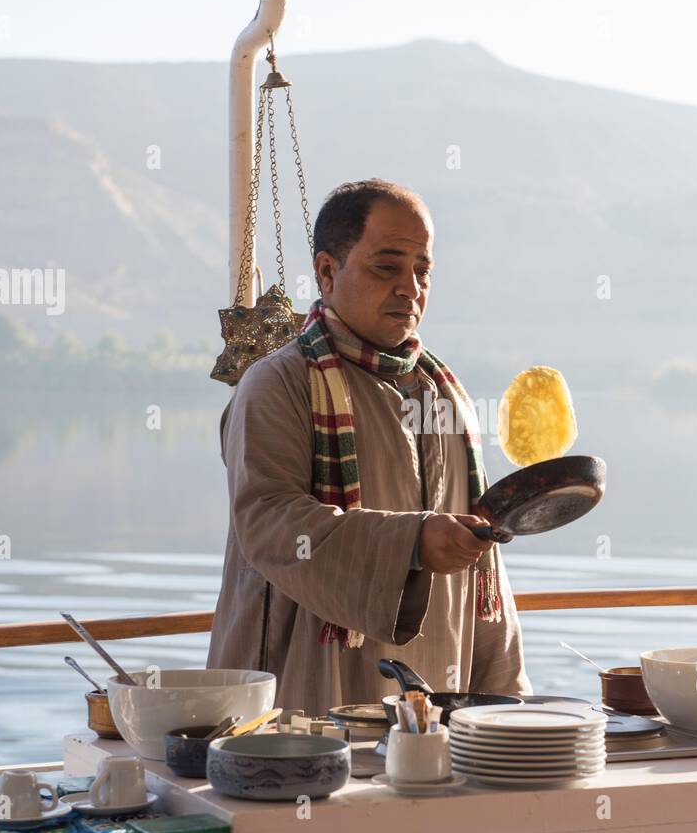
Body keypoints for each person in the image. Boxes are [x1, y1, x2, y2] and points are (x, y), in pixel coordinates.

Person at [207, 178, 532, 715]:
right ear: (328, 271)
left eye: (422, 271)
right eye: (387, 267)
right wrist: (411, 542)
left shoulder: (444, 393)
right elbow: (269, 523)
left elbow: (484, 570)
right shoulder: (278, 382)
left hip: (437, 698)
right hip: (305, 691)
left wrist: (508, 699)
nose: (411, 288)